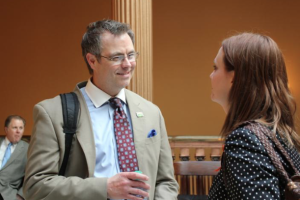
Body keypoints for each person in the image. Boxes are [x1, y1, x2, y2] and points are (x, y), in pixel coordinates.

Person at [24, 19, 178, 200]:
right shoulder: (52, 113)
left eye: (131, 54)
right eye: (117, 57)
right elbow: (36, 186)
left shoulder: (151, 112)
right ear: (92, 60)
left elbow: (166, 182)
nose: (127, 64)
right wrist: (104, 188)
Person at [208, 33, 300, 200]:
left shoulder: (244, 140)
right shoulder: (282, 134)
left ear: (233, 77)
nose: (211, 76)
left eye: (215, 68)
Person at [0, 115, 28, 200]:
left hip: (7, 195)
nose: (18, 131)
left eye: (21, 128)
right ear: (6, 129)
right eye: (15, 127)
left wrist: (20, 196)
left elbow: (33, 176)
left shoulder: (29, 149)